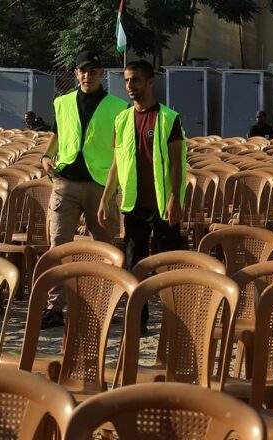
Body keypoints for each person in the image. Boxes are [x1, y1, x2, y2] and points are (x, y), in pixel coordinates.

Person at [40, 50, 128, 328]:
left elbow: (122, 149)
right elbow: (57, 134)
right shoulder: (62, 103)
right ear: (76, 74)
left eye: (93, 71)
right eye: (83, 71)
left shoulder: (118, 106)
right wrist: (45, 155)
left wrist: (114, 187)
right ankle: (55, 307)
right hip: (65, 182)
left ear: (101, 74)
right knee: (57, 245)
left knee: (104, 248)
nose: (88, 75)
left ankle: (105, 304)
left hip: (100, 185)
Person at [99, 60, 186, 335]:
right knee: (134, 263)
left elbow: (176, 163)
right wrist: (106, 197)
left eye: (136, 80)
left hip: (162, 205)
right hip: (134, 206)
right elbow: (116, 162)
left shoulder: (169, 118)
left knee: (169, 264)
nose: (130, 86)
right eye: (127, 81)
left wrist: (175, 199)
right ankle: (138, 322)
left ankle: (176, 320)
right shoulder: (122, 119)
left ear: (150, 82)